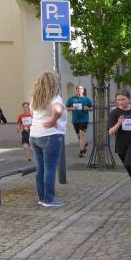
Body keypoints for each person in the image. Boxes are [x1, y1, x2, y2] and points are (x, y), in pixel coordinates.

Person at [29, 72, 67, 207]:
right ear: (54, 83)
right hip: (50, 136)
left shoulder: (34, 98)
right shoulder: (55, 97)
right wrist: (53, 120)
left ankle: (42, 198)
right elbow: (58, 111)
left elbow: (32, 114)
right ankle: (49, 199)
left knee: (40, 169)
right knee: (50, 168)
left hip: (34, 135)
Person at [65, 85, 93, 158]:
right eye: (78, 89)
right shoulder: (71, 99)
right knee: (79, 136)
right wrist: (72, 108)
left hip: (84, 119)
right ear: (76, 90)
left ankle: (81, 151)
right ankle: (84, 143)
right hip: (75, 120)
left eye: (81, 89)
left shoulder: (87, 99)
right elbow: (66, 108)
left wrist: (88, 108)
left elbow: (92, 108)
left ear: (83, 90)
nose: (79, 90)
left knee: (82, 135)